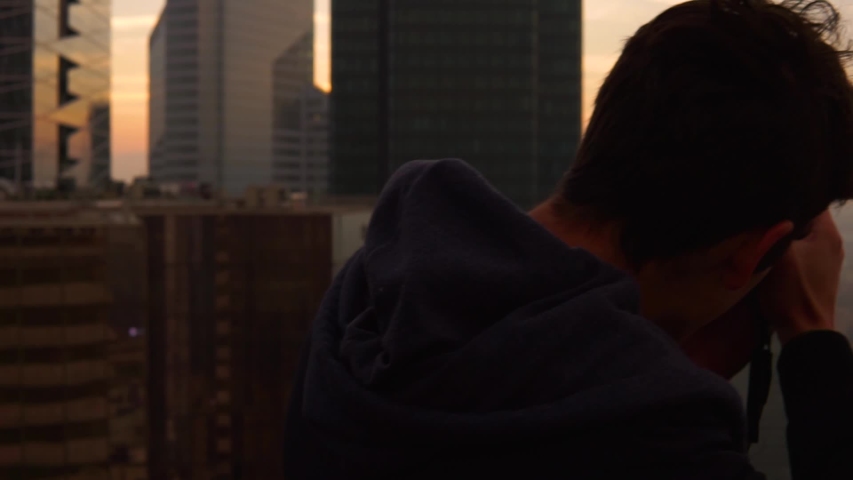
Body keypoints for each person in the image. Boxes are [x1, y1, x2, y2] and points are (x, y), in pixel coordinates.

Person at [284, 0, 853, 478]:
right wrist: (812, 337)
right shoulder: (663, 446)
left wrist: (655, 358)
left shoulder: (366, 304)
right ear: (754, 252)